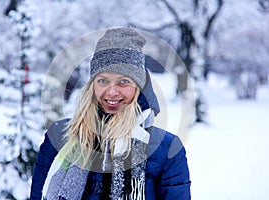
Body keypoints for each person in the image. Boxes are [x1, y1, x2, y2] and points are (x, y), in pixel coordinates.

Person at [30, 27, 191, 200]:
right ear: (92, 85)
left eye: (123, 81)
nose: (112, 92)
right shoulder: (59, 135)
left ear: (139, 86)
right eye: (103, 80)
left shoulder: (167, 148)